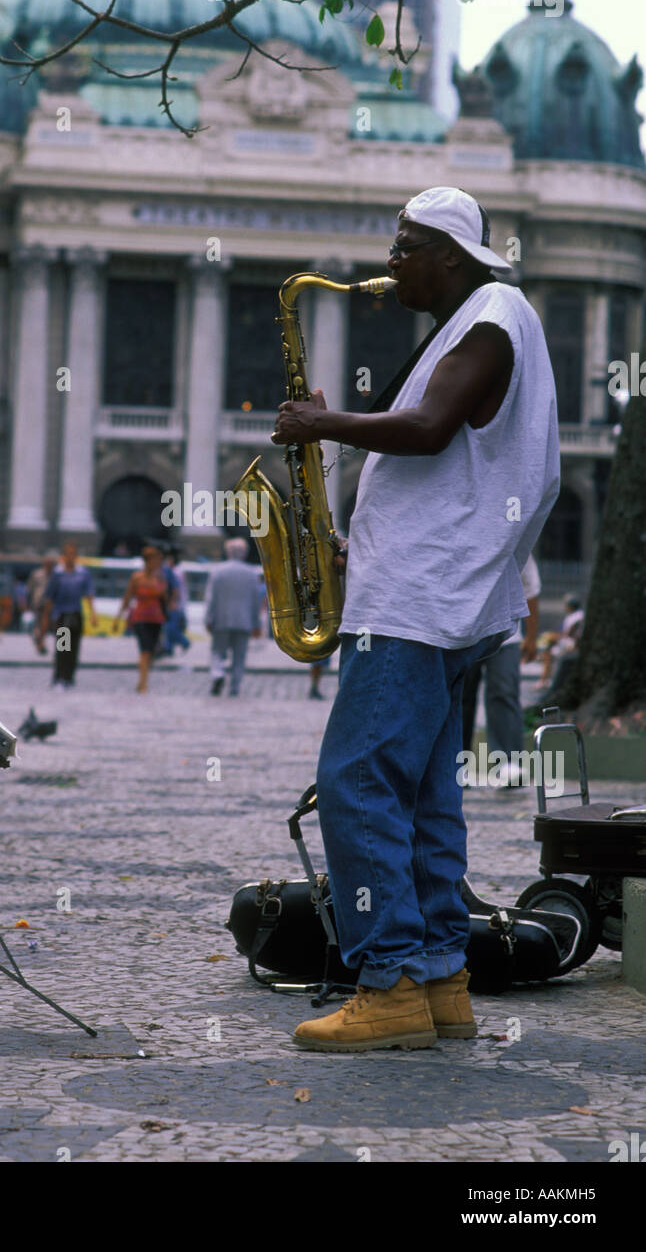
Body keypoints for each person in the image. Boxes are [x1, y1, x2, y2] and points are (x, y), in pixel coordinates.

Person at [272, 187, 560, 1052]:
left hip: (419, 602)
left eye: (405, 247)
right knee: (426, 793)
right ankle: (441, 981)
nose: (390, 264)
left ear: (451, 253)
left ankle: (388, 980)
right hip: (442, 597)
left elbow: (433, 428)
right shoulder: (482, 318)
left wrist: (324, 422)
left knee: (356, 782)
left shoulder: (492, 314)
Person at [461, 552, 541, 788]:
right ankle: (456, 764)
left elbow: (531, 589)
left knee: (504, 691)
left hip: (507, 633)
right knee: (460, 696)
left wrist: (532, 636)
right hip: (464, 633)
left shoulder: (515, 535)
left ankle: (509, 762)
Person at [204, 537, 262, 696]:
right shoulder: (251, 573)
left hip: (221, 619)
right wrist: (257, 624)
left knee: (217, 651)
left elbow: (211, 598)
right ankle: (234, 687)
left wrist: (208, 619)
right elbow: (255, 601)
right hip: (244, 621)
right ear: (244, 553)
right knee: (239, 657)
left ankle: (218, 673)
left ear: (227, 552)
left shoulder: (217, 571)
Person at [115, 544, 168, 693]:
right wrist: (118, 618)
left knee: (151, 651)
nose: (157, 563)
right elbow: (127, 598)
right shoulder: (137, 578)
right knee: (144, 650)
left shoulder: (159, 578)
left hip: (156, 619)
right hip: (141, 618)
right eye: (154, 560)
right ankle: (143, 683)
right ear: (147, 561)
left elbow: (165, 599)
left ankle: (143, 681)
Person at [41, 542, 95, 687]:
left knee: (74, 648)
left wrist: (93, 614)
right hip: (62, 615)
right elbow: (50, 598)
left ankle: (69, 677)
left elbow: (89, 594)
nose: (71, 557)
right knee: (63, 647)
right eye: (68, 554)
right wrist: (46, 617)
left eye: (73, 554)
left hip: (76, 614)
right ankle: (60, 676)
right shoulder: (58, 575)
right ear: (64, 556)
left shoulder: (82, 574)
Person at [27, 551, 59, 654]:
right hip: (40, 603)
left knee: (61, 626)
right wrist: (29, 602)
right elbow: (30, 589)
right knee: (39, 625)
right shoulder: (37, 574)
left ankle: (64, 649)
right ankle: (40, 645)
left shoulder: (58, 575)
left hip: (56, 604)